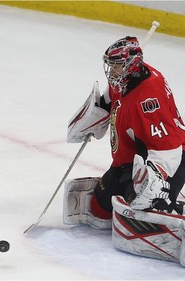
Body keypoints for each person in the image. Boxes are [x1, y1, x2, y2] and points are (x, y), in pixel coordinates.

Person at [64, 36, 185, 264]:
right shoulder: (122, 79)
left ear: (132, 64)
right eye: (110, 65)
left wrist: (155, 185)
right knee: (99, 208)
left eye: (117, 65)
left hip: (166, 160)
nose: (112, 71)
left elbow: (167, 148)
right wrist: (90, 118)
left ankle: (168, 204)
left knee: (141, 209)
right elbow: (109, 101)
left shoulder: (149, 99)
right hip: (129, 160)